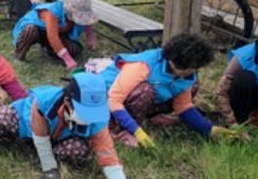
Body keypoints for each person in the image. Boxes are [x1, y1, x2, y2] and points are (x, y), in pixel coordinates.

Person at [0, 72, 140, 179]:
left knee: (78, 151)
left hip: (60, 139)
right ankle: (21, 142)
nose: (91, 119)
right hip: (26, 126)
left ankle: (41, 150)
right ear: (68, 102)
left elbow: (109, 160)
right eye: (85, 112)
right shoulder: (44, 102)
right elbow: (39, 134)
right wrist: (50, 169)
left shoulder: (99, 121)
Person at [102, 33, 239, 149]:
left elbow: (183, 106)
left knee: (193, 85)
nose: (192, 72)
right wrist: (136, 131)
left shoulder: (188, 74)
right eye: (190, 68)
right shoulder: (143, 65)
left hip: (142, 100)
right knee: (145, 91)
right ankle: (123, 131)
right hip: (108, 101)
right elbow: (114, 100)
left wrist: (209, 129)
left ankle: (151, 116)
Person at [13, 0, 98, 70]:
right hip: (39, 31)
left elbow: (86, 21)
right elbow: (53, 37)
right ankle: (19, 55)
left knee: (73, 49)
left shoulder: (73, 17)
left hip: (58, 32)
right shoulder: (52, 12)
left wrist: (90, 37)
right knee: (31, 30)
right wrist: (67, 59)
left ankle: (51, 50)